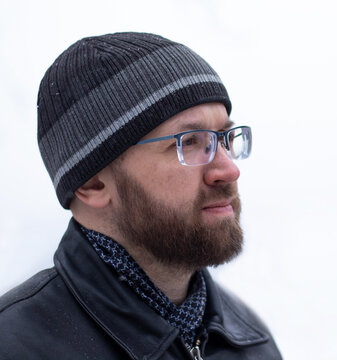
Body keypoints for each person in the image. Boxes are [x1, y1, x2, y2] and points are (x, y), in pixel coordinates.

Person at [0, 32, 281, 360]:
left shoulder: (249, 343)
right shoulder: (15, 346)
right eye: (188, 142)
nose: (228, 170)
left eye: (222, 138)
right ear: (93, 184)